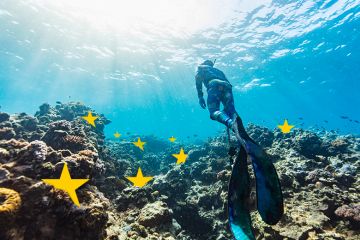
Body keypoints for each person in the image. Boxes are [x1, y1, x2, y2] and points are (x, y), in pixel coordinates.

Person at [195, 59, 244, 142]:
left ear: (204, 63)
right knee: (231, 111)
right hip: (227, 86)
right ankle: (242, 131)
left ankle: (231, 124)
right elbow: (227, 82)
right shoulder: (219, 71)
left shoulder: (201, 67)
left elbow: (198, 81)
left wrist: (200, 96)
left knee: (214, 112)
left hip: (214, 84)